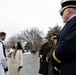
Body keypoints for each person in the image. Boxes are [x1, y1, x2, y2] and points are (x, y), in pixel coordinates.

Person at [51, 0, 76, 75]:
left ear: (68, 11)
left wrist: (54, 59)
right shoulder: (71, 23)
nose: (61, 15)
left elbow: (68, 46)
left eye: (62, 13)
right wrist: (58, 37)